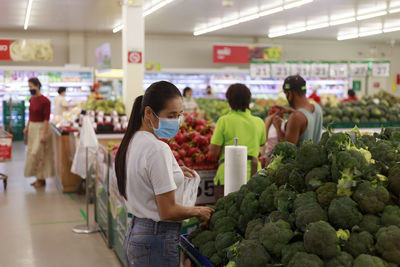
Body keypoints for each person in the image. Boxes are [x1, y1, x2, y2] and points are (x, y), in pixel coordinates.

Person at [114, 81, 214, 267]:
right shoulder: (157, 149)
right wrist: (200, 211)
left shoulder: (133, 140)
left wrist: (173, 171)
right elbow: (168, 211)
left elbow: (143, 176)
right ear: (148, 113)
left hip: (137, 234)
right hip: (156, 239)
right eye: (171, 115)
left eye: (179, 115)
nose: (176, 121)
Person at [209, 84, 266, 201]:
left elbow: (213, 153)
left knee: (225, 214)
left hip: (227, 176)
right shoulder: (259, 122)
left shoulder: (224, 121)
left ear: (228, 100)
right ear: (249, 100)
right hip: (254, 177)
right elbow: (261, 145)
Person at [271, 75, 323, 146]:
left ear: (290, 93)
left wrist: (278, 128)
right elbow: (307, 118)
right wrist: (291, 111)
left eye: (286, 93)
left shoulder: (296, 117)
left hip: (300, 157)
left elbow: (287, 150)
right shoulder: (317, 108)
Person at [23, 77, 55, 188]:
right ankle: (39, 179)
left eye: (31, 87)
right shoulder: (31, 99)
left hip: (42, 128)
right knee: (33, 154)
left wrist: (44, 133)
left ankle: (41, 178)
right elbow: (31, 116)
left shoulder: (45, 101)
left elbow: (46, 119)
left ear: (37, 86)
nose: (30, 89)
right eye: (29, 87)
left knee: (40, 154)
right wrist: (27, 127)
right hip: (33, 129)